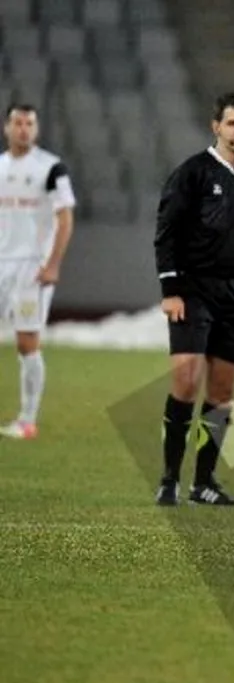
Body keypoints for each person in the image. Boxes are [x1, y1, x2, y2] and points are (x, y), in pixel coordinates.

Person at [153, 92, 234, 507]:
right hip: (193, 290)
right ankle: (169, 478)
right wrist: (171, 291)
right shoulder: (193, 174)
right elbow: (166, 233)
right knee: (186, 380)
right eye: (232, 124)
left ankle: (203, 483)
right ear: (216, 127)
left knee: (222, 391)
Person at [0, 103, 76, 439]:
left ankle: (28, 420)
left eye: (29, 123)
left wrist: (52, 265)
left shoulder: (51, 168)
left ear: (37, 128)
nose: (23, 130)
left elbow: (65, 218)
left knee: (26, 341)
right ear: (6, 128)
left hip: (31, 269)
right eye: (17, 123)